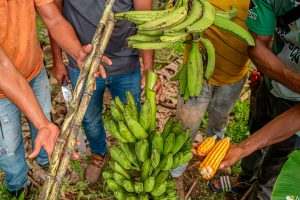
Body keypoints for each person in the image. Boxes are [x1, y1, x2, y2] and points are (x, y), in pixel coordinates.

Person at [0, 0, 111, 195]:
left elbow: (54, 19)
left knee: (43, 124)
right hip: (2, 89)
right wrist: (43, 123)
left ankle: (45, 163)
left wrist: (78, 52)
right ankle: (18, 185)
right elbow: (3, 67)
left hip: (34, 70)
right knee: (9, 148)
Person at [50, 0, 163, 183]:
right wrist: (57, 60)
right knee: (90, 118)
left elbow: (145, 21)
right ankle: (98, 154)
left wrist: (148, 68)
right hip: (83, 64)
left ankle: (135, 159)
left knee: (132, 118)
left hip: (126, 63)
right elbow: (54, 15)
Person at [208, 0, 300, 199]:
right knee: (257, 129)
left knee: (276, 174)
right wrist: (287, 77)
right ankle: (245, 179)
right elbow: (256, 44)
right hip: (272, 83)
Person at [169, 0, 251, 197]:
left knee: (220, 119)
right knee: (186, 124)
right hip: (196, 71)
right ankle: (176, 172)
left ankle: (215, 156)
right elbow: (174, 10)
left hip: (234, 74)